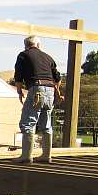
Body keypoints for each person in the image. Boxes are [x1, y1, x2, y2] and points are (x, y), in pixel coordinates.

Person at [12, 35, 63, 164]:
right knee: (46, 124)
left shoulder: (23, 55)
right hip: (50, 90)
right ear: (39, 45)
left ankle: (26, 156)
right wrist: (56, 91)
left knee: (28, 122)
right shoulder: (48, 57)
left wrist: (19, 91)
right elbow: (58, 78)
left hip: (36, 89)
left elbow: (18, 75)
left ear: (26, 45)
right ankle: (46, 156)